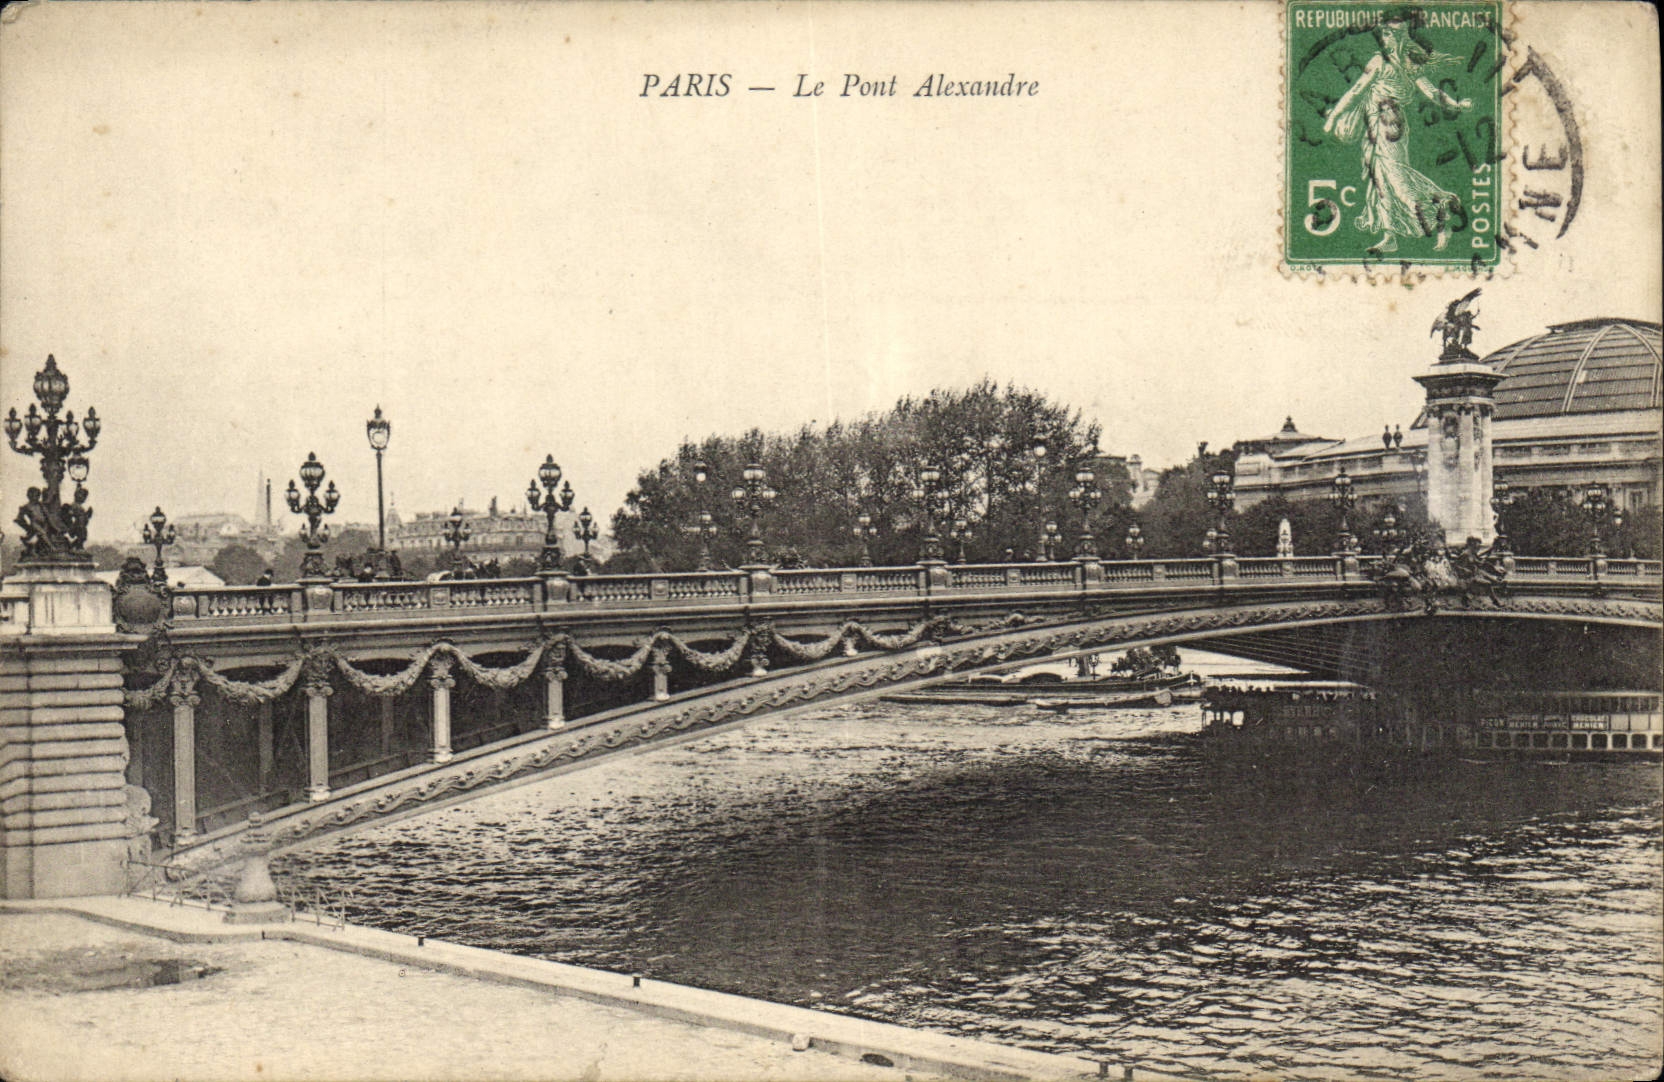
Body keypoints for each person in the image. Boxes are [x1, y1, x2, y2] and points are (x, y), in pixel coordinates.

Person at [1323, 18, 1472, 253]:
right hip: (1381, 124)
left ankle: (1442, 211)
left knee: (1397, 180)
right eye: (1385, 35)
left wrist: (1333, 118)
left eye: (1389, 35)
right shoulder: (1400, 62)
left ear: (1397, 37)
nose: (1385, 38)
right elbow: (1431, 92)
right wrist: (1456, 104)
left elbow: (1356, 92)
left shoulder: (1384, 62)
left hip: (1388, 126)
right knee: (1380, 181)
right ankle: (1389, 236)